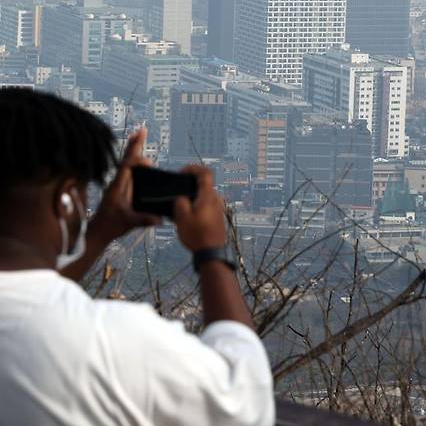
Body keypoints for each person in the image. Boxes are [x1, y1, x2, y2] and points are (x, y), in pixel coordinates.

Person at [0, 87, 275, 426]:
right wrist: (212, 251)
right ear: (65, 199)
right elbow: (245, 402)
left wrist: (100, 232)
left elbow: (21, 297)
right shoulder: (109, 342)